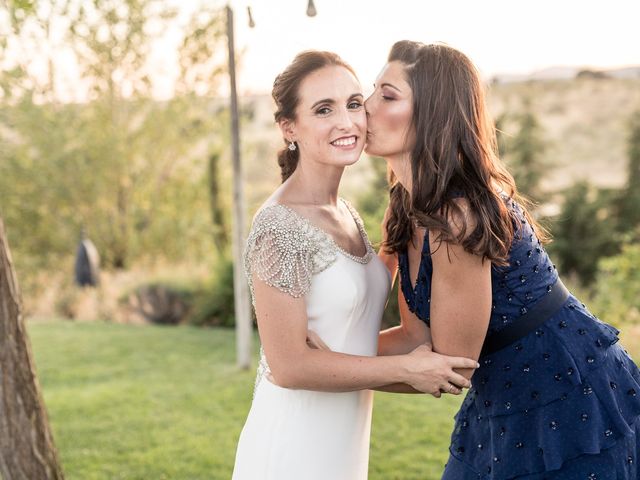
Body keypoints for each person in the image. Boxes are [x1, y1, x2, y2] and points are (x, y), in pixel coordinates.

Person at [364, 40, 640, 479]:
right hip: (502, 400)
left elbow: (450, 366)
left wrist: (333, 372)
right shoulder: (403, 206)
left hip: (569, 396)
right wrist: (324, 359)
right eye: (373, 90)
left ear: (434, 113)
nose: (366, 105)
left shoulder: (458, 218)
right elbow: (416, 339)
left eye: (388, 95)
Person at [231, 50, 478, 480]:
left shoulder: (346, 212)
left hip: (344, 434)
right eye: (323, 109)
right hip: (294, 438)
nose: (346, 122)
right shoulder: (277, 225)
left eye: (352, 103)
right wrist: (406, 369)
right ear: (289, 127)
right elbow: (288, 366)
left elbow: (362, 299)